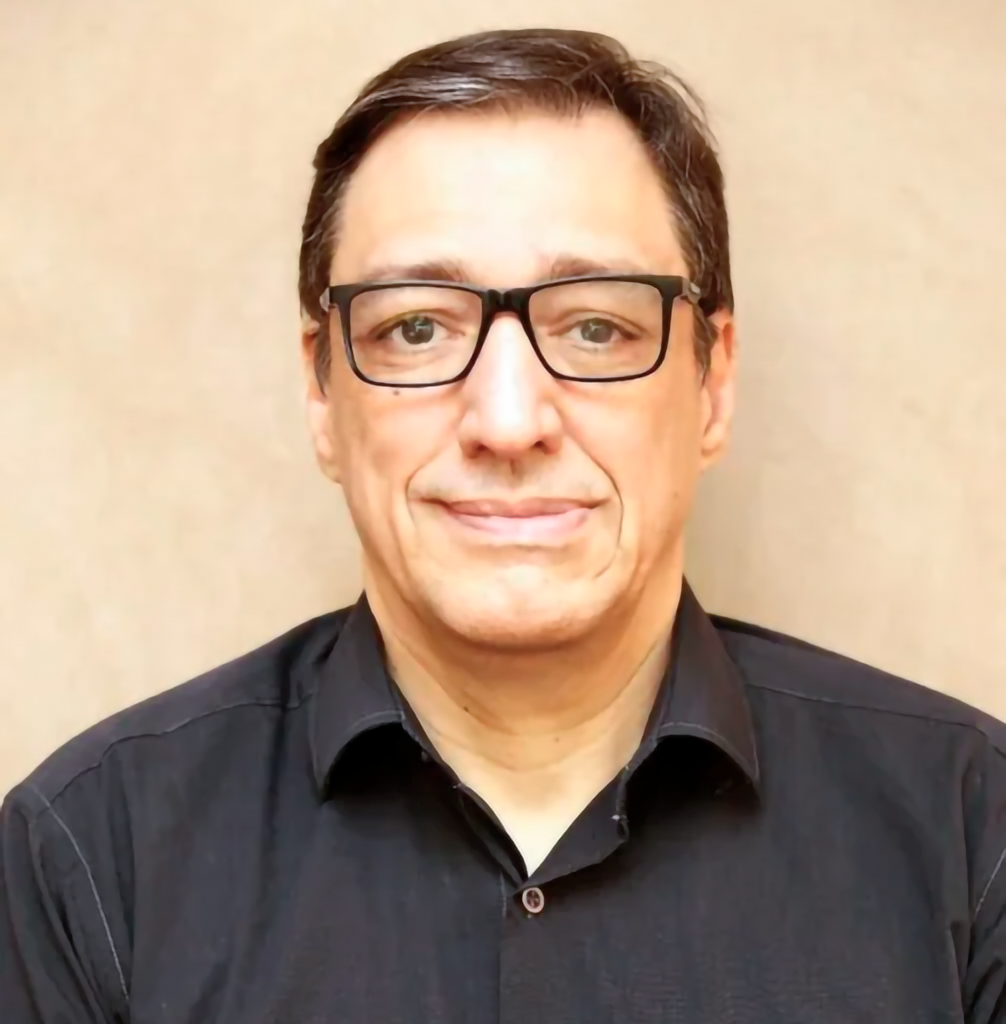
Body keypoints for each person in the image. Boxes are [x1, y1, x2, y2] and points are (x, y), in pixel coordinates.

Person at [2, 26, 1003, 1023]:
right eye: (417, 327)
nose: (509, 421)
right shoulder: (90, 858)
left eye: (598, 326)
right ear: (321, 393)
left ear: (713, 383)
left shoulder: (974, 830)